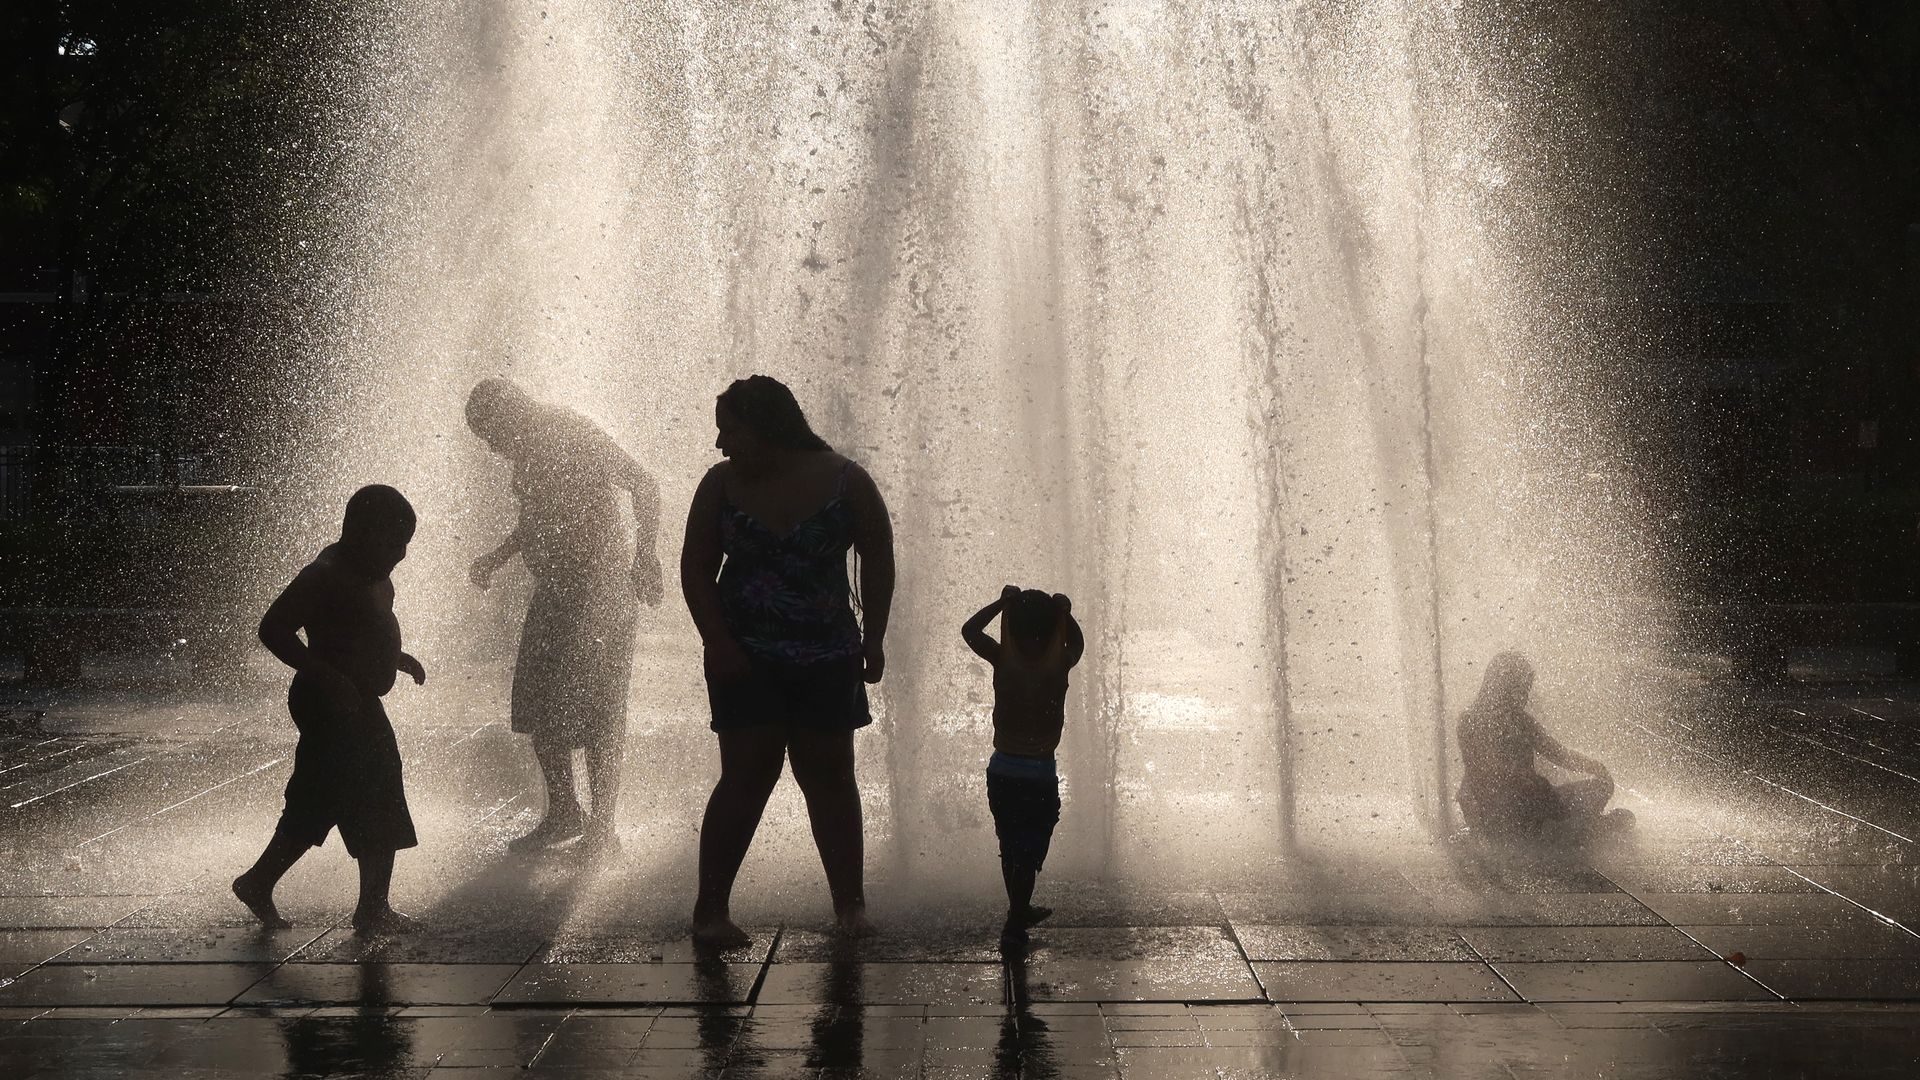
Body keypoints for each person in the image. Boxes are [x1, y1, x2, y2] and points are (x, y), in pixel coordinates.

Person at [681, 375, 894, 946]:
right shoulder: (719, 486)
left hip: (827, 654)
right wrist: (718, 643)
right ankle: (710, 913)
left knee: (829, 778)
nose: (721, 443)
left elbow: (878, 560)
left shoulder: (847, 481)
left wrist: (875, 639)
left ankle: (850, 908)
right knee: (746, 777)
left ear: (768, 428)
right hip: (743, 657)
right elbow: (696, 569)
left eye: (731, 430)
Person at [466, 378, 663, 856]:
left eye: (492, 434)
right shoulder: (528, 449)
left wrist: (646, 553)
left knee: (598, 708)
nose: (492, 448)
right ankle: (564, 812)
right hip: (556, 591)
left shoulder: (570, 432)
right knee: (536, 701)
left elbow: (643, 481)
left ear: (511, 414)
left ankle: (601, 828)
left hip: (600, 593)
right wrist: (499, 555)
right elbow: (539, 515)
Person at [233, 485, 425, 935]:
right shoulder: (326, 573)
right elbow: (273, 628)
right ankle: (266, 884)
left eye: (405, 545)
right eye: (393, 542)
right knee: (340, 797)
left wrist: (396, 657)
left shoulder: (372, 574)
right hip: (329, 703)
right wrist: (323, 673)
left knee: (358, 794)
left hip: (358, 700)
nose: (400, 554)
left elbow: (361, 632)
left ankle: (363, 905)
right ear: (361, 531)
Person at [962, 585, 1084, 951]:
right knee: (1029, 855)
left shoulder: (1003, 658)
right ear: (1051, 631)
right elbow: (1078, 644)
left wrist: (1001, 603)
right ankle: (1015, 923)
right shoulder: (1059, 662)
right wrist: (1065, 612)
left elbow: (970, 630)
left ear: (1012, 626)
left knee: (1010, 848)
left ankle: (1019, 909)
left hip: (1002, 772)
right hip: (1039, 776)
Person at [1455, 651, 1632, 846]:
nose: (1526, 695)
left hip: (1514, 810)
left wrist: (1594, 766)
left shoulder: (1478, 720)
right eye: (1522, 688)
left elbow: (1558, 754)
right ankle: (1585, 827)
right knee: (1602, 793)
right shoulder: (1500, 721)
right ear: (1503, 686)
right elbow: (1483, 769)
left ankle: (1581, 826)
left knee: (1601, 788)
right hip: (1526, 809)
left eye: (1527, 689)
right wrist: (1526, 781)